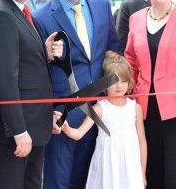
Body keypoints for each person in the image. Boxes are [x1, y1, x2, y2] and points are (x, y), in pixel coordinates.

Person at [33, 0, 119, 189]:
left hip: (101, 113)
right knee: (58, 182)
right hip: (63, 116)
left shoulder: (102, 5)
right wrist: (48, 110)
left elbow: (113, 53)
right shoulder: (41, 17)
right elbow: (39, 72)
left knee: (91, 181)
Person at [0, 0, 63, 189]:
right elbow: (4, 80)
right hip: (15, 137)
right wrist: (18, 131)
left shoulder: (19, 11)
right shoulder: (1, 15)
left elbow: (24, 65)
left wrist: (44, 55)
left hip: (33, 129)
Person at [125, 0, 176, 188]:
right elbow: (131, 61)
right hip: (144, 108)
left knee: (175, 174)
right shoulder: (136, 19)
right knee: (149, 171)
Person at [62, 51, 147, 189]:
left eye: (124, 81)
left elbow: (142, 142)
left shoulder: (135, 108)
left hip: (131, 169)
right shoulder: (100, 108)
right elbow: (78, 133)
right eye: (114, 82)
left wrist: (142, 172)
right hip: (107, 167)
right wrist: (66, 127)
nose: (119, 86)